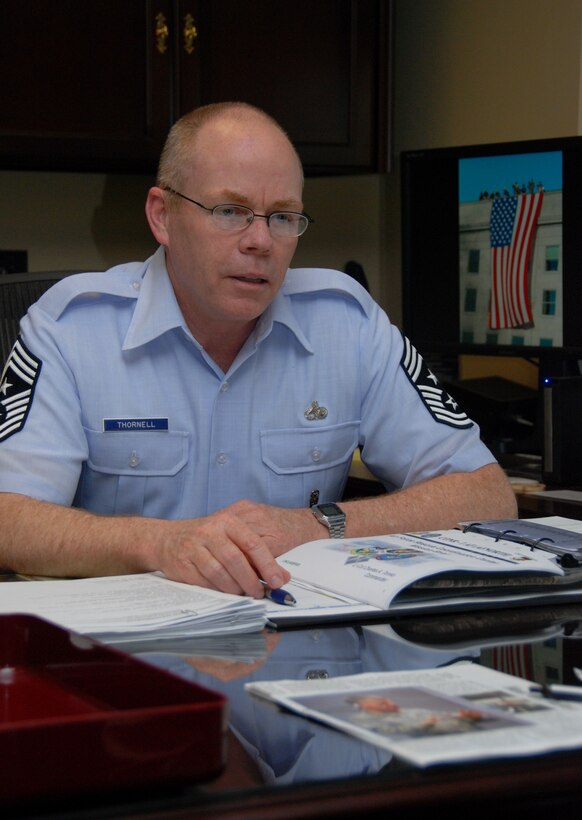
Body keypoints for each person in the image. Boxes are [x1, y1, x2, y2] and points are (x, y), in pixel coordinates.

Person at [0, 102, 516, 598]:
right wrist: (160, 542)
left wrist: (316, 527)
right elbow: (9, 518)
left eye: (284, 216)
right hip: (125, 657)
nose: (261, 241)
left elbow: (486, 494)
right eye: (231, 211)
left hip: (297, 641)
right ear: (162, 216)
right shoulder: (72, 329)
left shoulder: (346, 322)